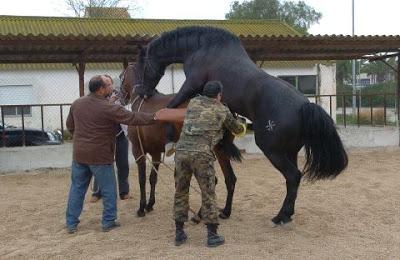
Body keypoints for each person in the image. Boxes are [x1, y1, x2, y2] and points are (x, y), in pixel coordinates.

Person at [65, 74, 172, 234]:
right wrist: (156, 116)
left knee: (77, 189)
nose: (113, 88)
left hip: (79, 155)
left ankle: (71, 223)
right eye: (109, 85)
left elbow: (70, 126)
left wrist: (81, 139)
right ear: (101, 89)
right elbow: (133, 117)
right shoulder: (109, 108)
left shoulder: (77, 103)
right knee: (109, 190)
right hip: (100, 156)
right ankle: (108, 221)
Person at [173, 81, 246, 247]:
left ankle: (179, 233)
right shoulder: (222, 109)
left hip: (181, 152)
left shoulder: (193, 102)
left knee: (180, 191)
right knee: (208, 193)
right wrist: (242, 124)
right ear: (219, 95)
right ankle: (212, 236)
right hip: (202, 155)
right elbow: (237, 129)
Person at [91, 76, 131, 202]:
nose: (109, 87)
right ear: (101, 87)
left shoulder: (119, 96)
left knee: (123, 164)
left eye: (110, 84)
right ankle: (97, 193)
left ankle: (124, 191)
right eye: (106, 84)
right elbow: (99, 111)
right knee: (102, 164)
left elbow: (127, 104)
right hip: (104, 138)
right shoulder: (96, 98)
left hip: (120, 135)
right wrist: (110, 102)